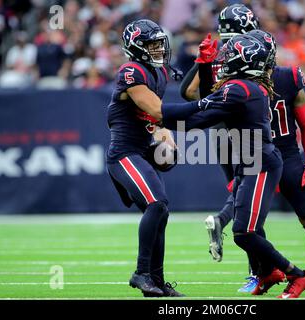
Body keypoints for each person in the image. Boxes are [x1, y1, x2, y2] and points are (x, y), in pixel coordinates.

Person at [182, 4, 305, 293]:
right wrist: (203, 63)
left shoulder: (285, 78)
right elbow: (198, 98)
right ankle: (260, 274)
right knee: (250, 223)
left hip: (284, 153)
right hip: (254, 153)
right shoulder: (237, 84)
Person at [140, 33, 305, 299]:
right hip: (249, 163)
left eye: (230, 56)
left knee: (245, 232)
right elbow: (210, 103)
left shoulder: (241, 89)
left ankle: (297, 275)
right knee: (242, 233)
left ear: (245, 63)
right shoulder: (244, 87)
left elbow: (199, 114)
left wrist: (160, 115)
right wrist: (206, 66)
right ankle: (268, 272)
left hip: (260, 165)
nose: (225, 60)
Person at [105, 19, 184, 297]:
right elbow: (154, 108)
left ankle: (157, 280)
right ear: (137, 47)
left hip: (142, 153)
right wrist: (200, 112)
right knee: (157, 204)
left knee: (160, 212)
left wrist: (164, 135)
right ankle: (141, 273)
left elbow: (155, 118)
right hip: (123, 155)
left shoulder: (158, 73)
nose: (159, 49)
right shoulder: (131, 71)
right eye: (151, 44)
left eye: (159, 43)